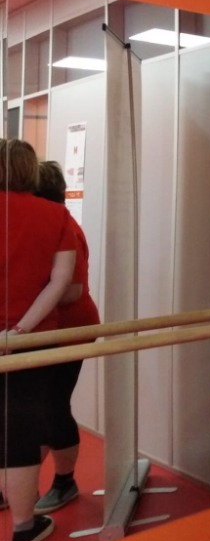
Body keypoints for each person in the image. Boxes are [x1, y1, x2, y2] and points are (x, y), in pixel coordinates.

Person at [0, 139, 77, 541]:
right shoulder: (55, 215)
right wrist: (20, 331)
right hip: (32, 339)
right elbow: (61, 283)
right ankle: (23, 526)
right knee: (21, 429)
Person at [33, 160, 102, 514]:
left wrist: (29, 301)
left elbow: (72, 290)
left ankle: (65, 482)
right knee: (39, 407)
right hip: (52, 330)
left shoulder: (66, 229)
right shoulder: (50, 226)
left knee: (53, 405)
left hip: (71, 329)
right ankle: (20, 481)